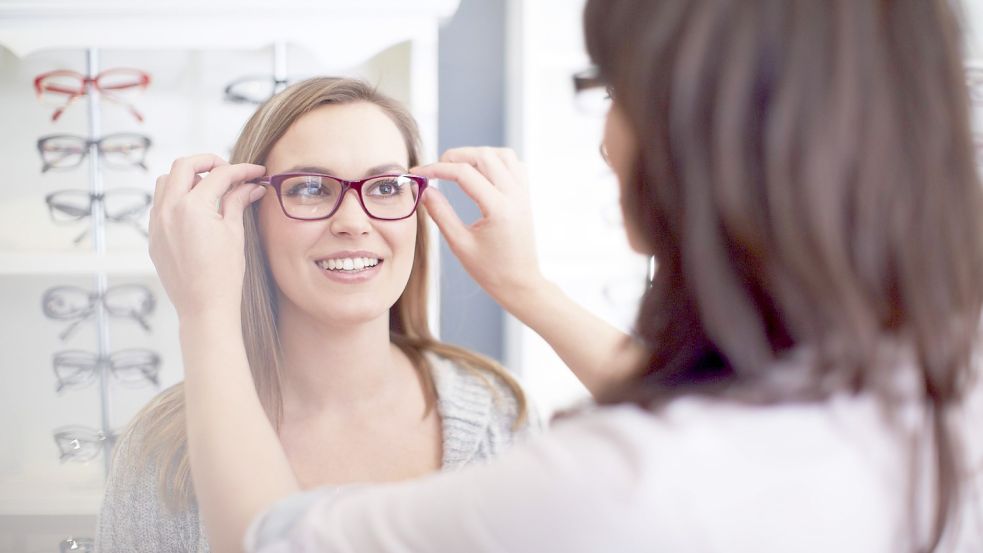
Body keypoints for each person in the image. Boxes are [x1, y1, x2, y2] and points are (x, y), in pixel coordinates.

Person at [149, 0, 983, 551]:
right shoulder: (932, 396)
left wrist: (205, 315)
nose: (600, 139)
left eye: (612, 93)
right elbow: (732, 420)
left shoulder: (585, 469)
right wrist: (529, 288)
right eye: (306, 187)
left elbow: (266, 537)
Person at [95, 77, 545, 552]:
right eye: (310, 188)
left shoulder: (502, 415)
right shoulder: (166, 451)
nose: (353, 222)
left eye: (387, 186)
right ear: (250, 216)